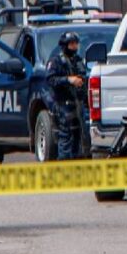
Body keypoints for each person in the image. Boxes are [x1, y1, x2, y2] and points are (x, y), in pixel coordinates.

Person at [46, 31, 89, 160]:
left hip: (78, 104)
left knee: (79, 136)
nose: (74, 46)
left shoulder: (78, 60)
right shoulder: (56, 61)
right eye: (71, 44)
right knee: (65, 137)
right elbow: (50, 80)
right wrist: (68, 80)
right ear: (65, 45)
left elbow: (84, 77)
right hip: (63, 105)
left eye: (76, 43)